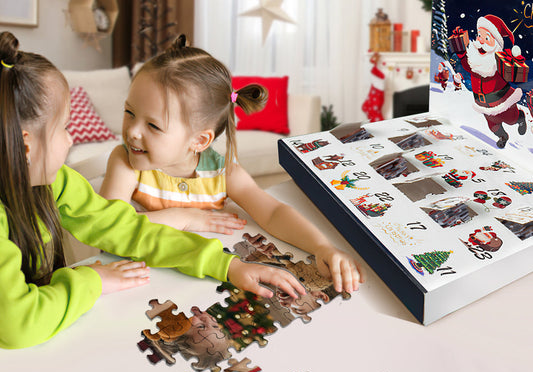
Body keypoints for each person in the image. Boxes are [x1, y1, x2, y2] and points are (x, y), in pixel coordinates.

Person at [0, 31, 305, 350]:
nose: (71, 140)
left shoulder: (57, 182)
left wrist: (228, 265)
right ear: (25, 145)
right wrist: (93, 280)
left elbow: (125, 228)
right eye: (64, 127)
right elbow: (19, 324)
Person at [100, 35, 363, 295]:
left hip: (208, 282)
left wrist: (322, 247)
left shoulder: (223, 171)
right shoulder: (125, 163)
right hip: (143, 282)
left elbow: (273, 213)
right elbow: (110, 233)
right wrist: (186, 218)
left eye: (153, 125)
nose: (132, 131)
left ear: (199, 140)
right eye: (129, 112)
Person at [452, 15, 526, 148]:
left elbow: (511, 72)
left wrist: (514, 62)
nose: (481, 41)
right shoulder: (475, 61)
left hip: (503, 103)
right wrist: (462, 54)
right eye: (479, 35)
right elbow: (468, 66)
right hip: (484, 106)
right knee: (493, 126)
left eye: (487, 38)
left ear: (496, 44)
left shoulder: (497, 63)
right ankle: (503, 136)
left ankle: (520, 118)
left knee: (511, 119)